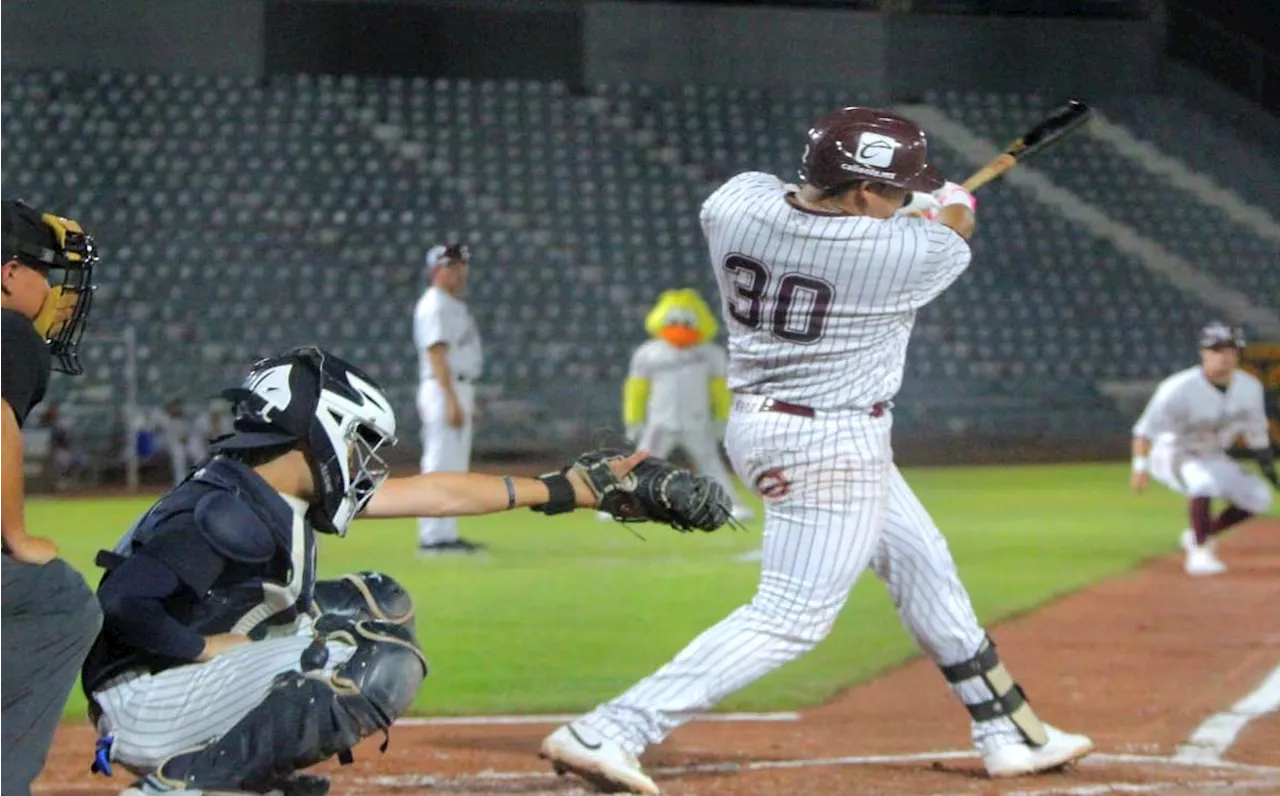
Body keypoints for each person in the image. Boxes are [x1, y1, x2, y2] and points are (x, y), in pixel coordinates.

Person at [540, 108, 1094, 794]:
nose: (897, 198)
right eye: (889, 190)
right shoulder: (905, 255)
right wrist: (950, 199)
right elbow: (953, 229)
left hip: (766, 424)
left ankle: (1008, 732)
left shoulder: (733, 203)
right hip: (829, 441)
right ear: (864, 193)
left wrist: (913, 198)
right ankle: (613, 729)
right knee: (792, 615)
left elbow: (836, 209)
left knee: (925, 568)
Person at [83, 345, 709, 795]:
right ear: (317, 430)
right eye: (356, 442)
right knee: (370, 658)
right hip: (147, 701)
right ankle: (190, 784)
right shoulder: (227, 510)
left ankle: (240, 774)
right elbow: (122, 603)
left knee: (370, 603)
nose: (362, 462)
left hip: (156, 691)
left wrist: (562, 490)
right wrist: (196, 646)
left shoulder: (265, 491)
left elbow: (437, 494)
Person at [0, 198, 103, 796]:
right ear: (9, 273)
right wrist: (16, 535)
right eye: (46, 273)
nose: (57, 294)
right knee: (63, 603)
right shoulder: (10, 331)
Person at [1131, 321, 1276, 576]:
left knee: (1259, 497)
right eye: (1217, 350)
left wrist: (1268, 468)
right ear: (1204, 353)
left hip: (1212, 455)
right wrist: (1139, 467)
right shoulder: (1177, 387)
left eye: (1231, 350)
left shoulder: (1248, 387)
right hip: (1174, 453)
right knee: (1204, 482)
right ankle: (1199, 552)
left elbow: (1255, 431)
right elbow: (1144, 431)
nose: (1225, 357)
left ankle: (1199, 533)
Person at [611, 288, 753, 523]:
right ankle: (624, 504)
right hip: (660, 421)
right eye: (674, 321)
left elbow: (720, 391)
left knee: (710, 463)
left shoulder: (710, 354)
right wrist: (633, 419)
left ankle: (729, 504)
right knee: (642, 464)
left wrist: (723, 418)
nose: (680, 327)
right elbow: (636, 390)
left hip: (696, 421)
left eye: (686, 322)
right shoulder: (648, 353)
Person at [413, 242, 486, 555]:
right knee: (440, 464)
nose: (459, 272)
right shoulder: (436, 304)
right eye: (451, 266)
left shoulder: (451, 304)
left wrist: (464, 398)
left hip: (455, 388)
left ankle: (446, 533)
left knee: (454, 468)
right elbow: (437, 355)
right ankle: (432, 536)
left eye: (461, 265)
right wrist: (453, 399)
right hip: (443, 388)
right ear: (435, 271)